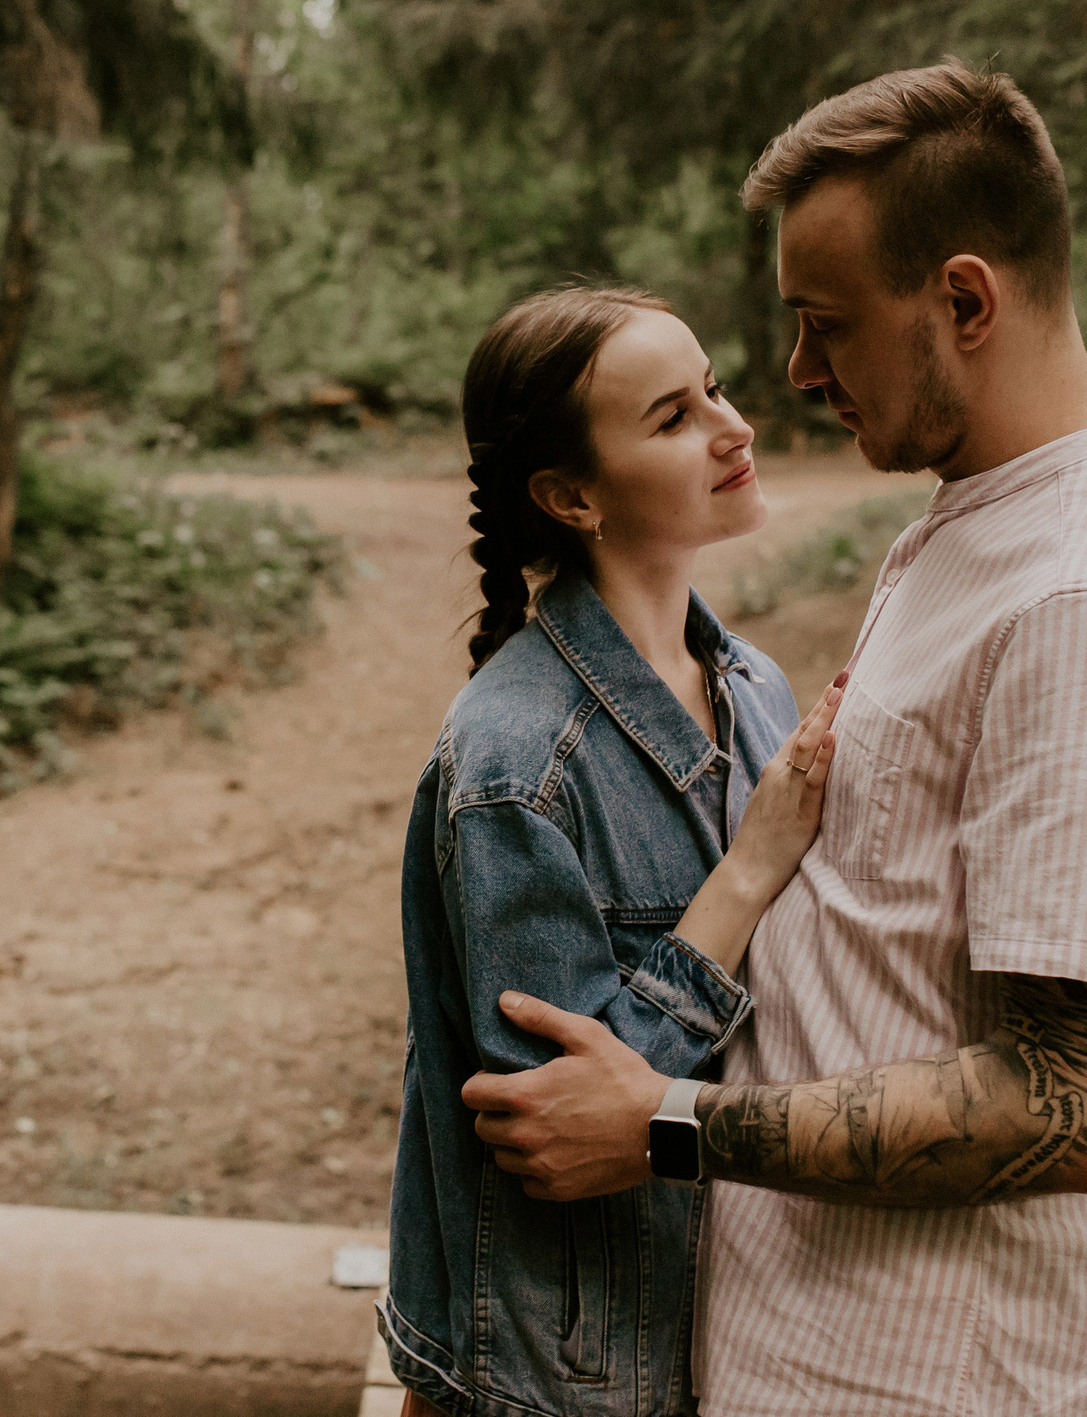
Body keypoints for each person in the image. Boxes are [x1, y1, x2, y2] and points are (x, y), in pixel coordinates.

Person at [459, 62, 1087, 1416]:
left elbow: (1064, 1105)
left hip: (937, 1376)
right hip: (818, 1351)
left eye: (826, 323)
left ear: (962, 299)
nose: (796, 372)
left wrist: (662, 1121)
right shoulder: (970, 524)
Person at [382, 286, 848, 1417]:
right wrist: (742, 878)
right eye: (673, 417)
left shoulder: (754, 686)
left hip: (724, 1329)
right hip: (562, 1377)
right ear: (572, 496)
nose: (733, 428)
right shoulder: (512, 765)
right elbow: (554, 1125)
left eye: (716, 390)